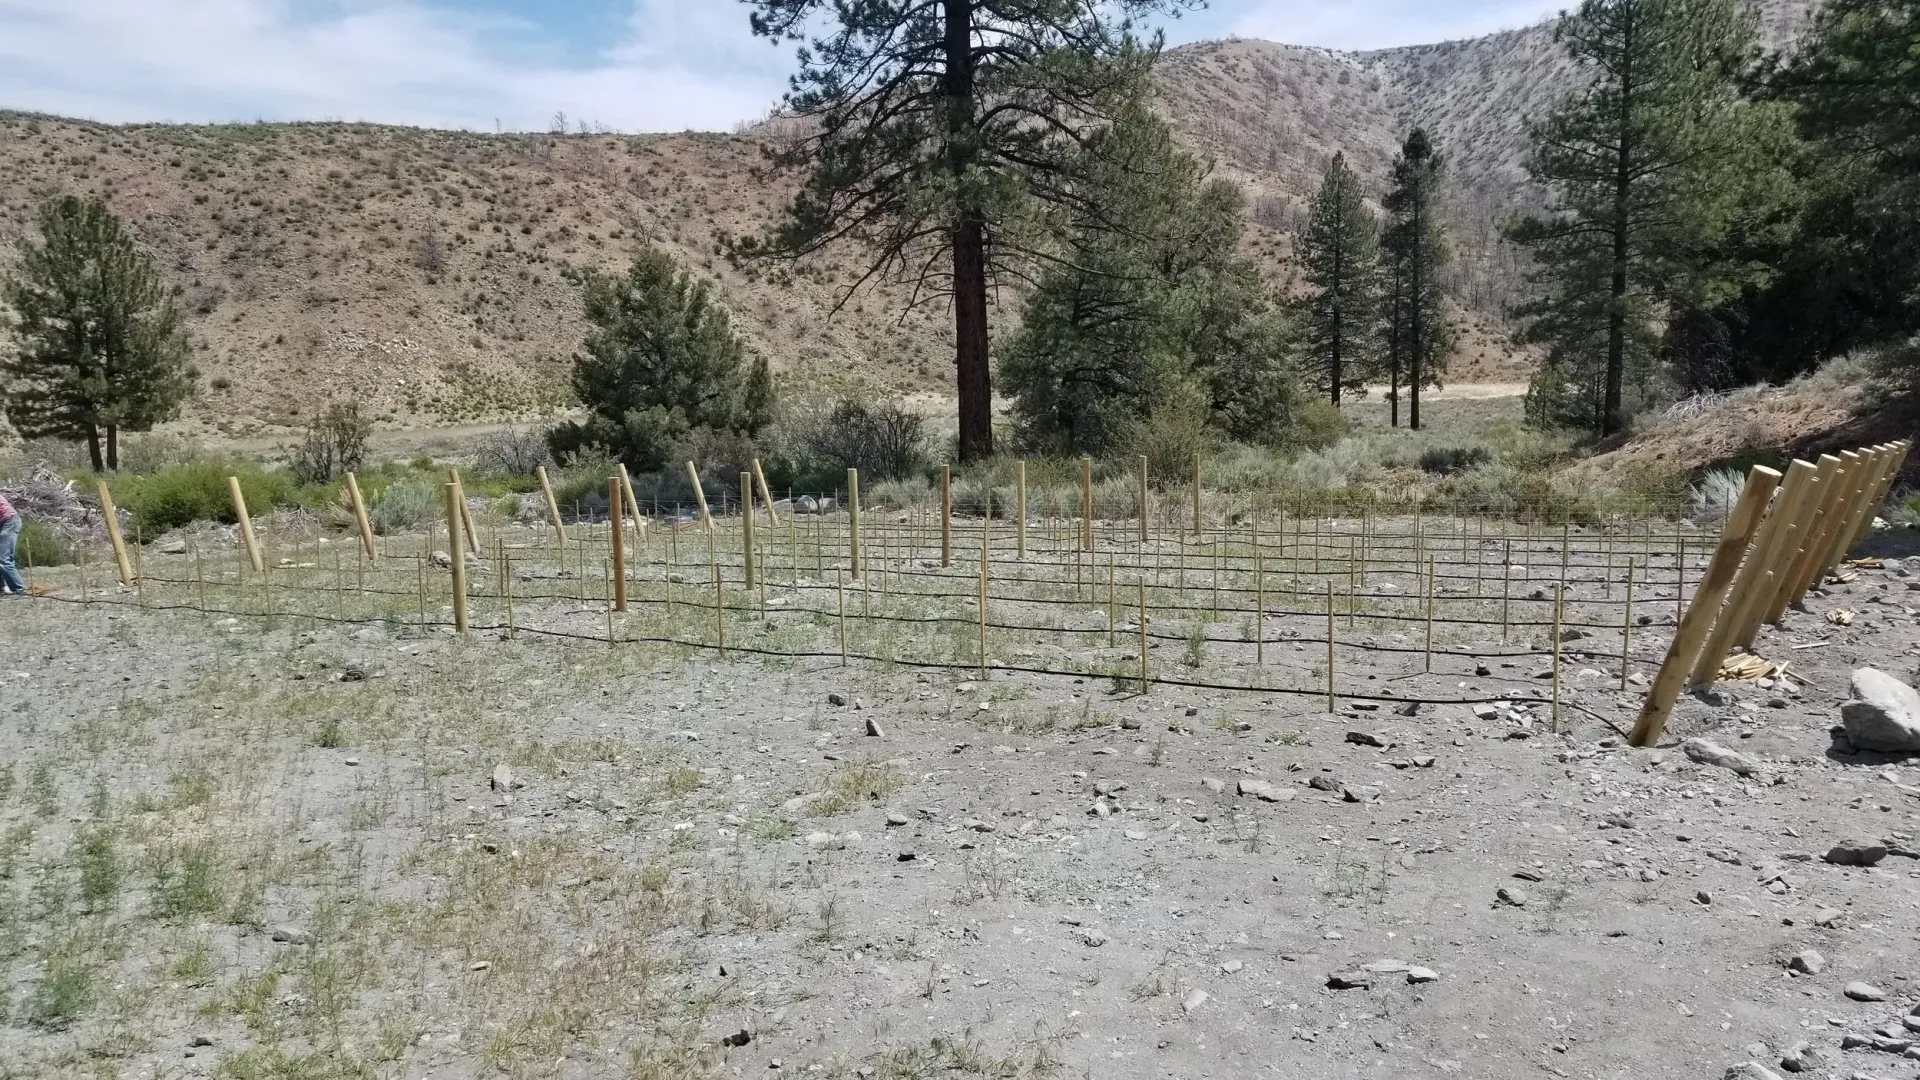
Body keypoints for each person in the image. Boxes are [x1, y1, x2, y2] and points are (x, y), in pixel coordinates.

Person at [0, 493, 24, 596]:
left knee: (3, 559)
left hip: (9, 522)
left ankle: (19, 589)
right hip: (4, 522)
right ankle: (2, 588)